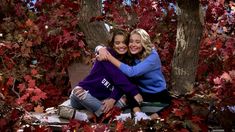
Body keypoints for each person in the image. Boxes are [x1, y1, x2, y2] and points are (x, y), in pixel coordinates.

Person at [62, 29, 143, 122]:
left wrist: (113, 99)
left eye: (124, 43)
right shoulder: (105, 55)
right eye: (117, 43)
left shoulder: (128, 62)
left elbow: (121, 83)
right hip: (86, 96)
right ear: (112, 44)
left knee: (124, 98)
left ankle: (90, 115)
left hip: (103, 100)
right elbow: (116, 75)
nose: (121, 46)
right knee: (77, 91)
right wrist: (133, 91)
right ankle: (110, 116)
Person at [97, 28, 172, 121]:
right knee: (130, 86)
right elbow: (110, 49)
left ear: (144, 43)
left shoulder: (153, 56)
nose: (133, 45)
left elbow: (132, 72)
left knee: (169, 105)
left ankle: (148, 119)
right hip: (141, 92)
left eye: (137, 42)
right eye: (131, 41)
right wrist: (100, 49)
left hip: (158, 92)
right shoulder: (132, 53)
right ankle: (138, 114)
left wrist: (109, 57)